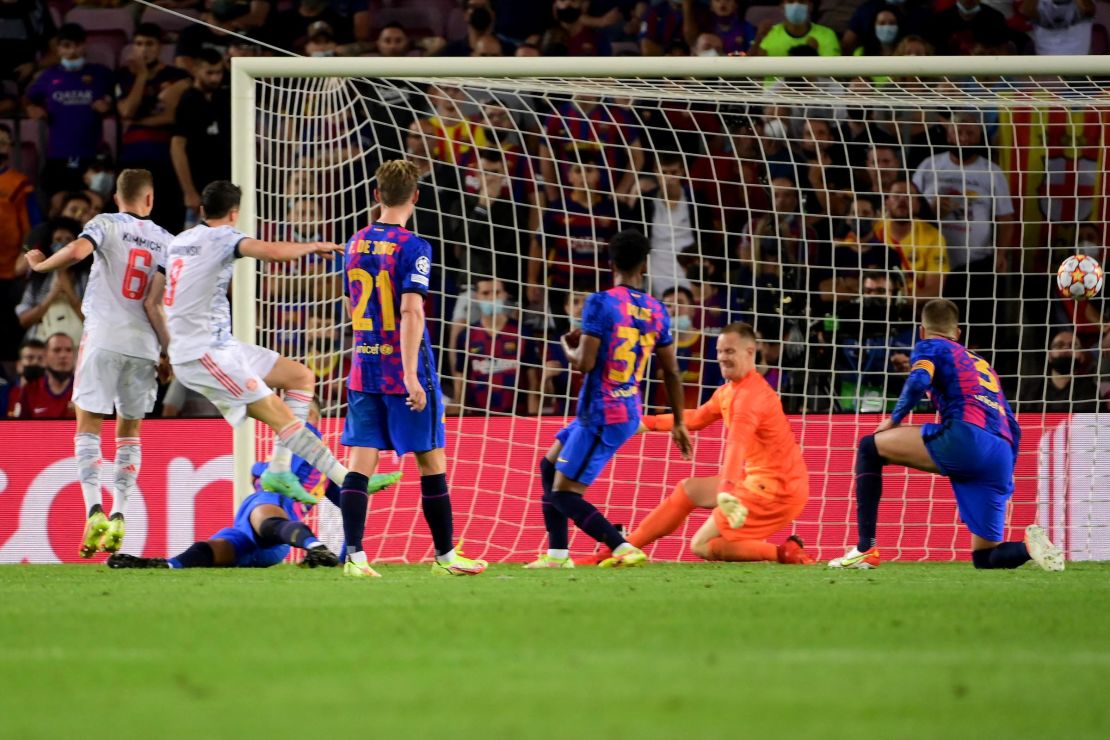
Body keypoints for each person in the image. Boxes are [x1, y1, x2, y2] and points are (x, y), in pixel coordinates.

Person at [830, 299, 1065, 571]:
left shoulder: (931, 346)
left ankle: (864, 548)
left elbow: (919, 380)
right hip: (1001, 451)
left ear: (922, 330)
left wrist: (893, 419)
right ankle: (1029, 547)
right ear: (959, 333)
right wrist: (1006, 472)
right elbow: (1012, 423)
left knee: (869, 447)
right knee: (986, 557)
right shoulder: (982, 364)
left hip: (966, 438)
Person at [339, 159, 488, 578]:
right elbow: (410, 310)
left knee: (360, 461)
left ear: (376, 194)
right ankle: (444, 557)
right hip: (402, 369)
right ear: (416, 197)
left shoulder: (355, 242)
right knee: (431, 461)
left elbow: (354, 300)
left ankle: (354, 555)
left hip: (363, 367)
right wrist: (408, 375)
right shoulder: (414, 247)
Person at [163, 179, 351, 505]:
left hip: (219, 344)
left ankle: (279, 467)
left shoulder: (179, 240)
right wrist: (313, 246)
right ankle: (347, 481)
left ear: (203, 209)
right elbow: (273, 253)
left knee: (300, 377)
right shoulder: (225, 236)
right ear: (235, 214)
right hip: (202, 352)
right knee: (281, 414)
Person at [24, 169, 172, 559]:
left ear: (116, 198)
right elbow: (157, 303)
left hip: (104, 338)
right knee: (130, 434)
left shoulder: (104, 223)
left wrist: (41, 266)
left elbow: (76, 252)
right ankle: (121, 511)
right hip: (144, 346)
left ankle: (94, 510)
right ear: (150, 200)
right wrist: (168, 350)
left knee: (88, 427)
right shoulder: (166, 241)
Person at [525, 229, 692, 570]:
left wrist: (568, 348)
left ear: (611, 262)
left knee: (563, 493)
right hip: (623, 407)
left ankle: (621, 546)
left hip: (603, 412)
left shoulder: (600, 302)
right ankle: (557, 555)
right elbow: (671, 372)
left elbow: (585, 363)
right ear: (643, 265)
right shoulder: (657, 310)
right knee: (548, 466)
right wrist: (679, 422)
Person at [583, 322, 813, 566]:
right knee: (688, 490)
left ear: (750, 352)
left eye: (730, 351)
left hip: (776, 491)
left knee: (700, 546)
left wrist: (727, 488)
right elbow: (695, 419)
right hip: (766, 480)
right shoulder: (729, 391)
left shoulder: (750, 398)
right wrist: (642, 424)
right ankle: (623, 549)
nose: (722, 358)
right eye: (720, 351)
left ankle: (784, 553)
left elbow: (737, 444)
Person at [107, 402, 400, 570]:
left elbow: (259, 472)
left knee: (263, 511)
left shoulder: (304, 438)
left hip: (272, 522)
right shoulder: (319, 470)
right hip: (267, 547)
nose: (290, 414)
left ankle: (315, 545)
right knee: (212, 548)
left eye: (299, 410)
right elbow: (350, 503)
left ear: (314, 418)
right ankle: (165, 565)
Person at [24, 23, 115, 194]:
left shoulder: (101, 73)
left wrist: (109, 104)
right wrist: (30, 107)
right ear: (58, 49)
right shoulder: (49, 76)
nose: (72, 51)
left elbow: (121, 96)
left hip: (93, 155)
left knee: (95, 208)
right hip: (58, 154)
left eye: (77, 45)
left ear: (84, 46)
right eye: (67, 46)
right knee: (58, 207)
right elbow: (27, 98)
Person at [171, 48, 231, 227]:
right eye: (209, 73)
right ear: (196, 71)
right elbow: (177, 146)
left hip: (226, 184)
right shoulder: (189, 101)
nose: (215, 78)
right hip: (199, 185)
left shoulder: (225, 98)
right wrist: (189, 190)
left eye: (218, 72)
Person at [11, 332, 75, 419]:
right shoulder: (30, 390)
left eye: (68, 350)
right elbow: (20, 429)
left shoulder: (85, 390)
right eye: (57, 350)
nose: (63, 355)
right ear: (45, 356)